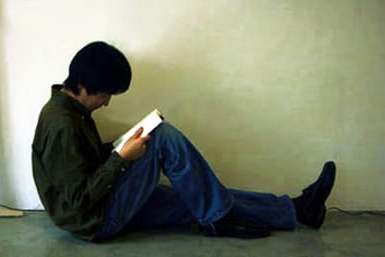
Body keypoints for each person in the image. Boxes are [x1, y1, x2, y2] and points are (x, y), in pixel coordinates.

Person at [31, 41, 336, 241]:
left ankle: (297, 209)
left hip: (104, 202)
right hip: (96, 221)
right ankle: (216, 217)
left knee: (201, 195)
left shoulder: (73, 111)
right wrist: (121, 157)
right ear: (82, 84)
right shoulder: (62, 124)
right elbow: (79, 201)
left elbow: (82, 164)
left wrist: (119, 145)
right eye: (105, 94)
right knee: (163, 136)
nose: (107, 102)